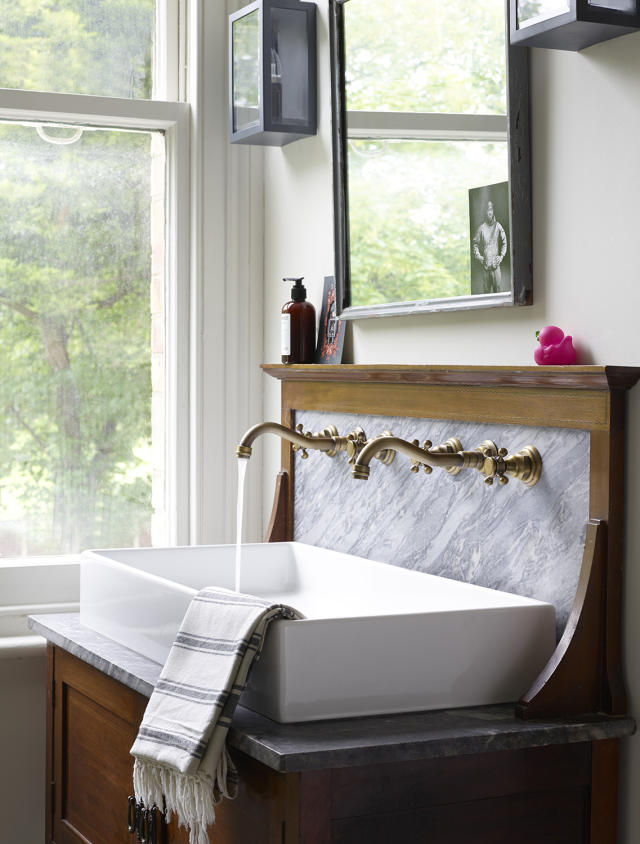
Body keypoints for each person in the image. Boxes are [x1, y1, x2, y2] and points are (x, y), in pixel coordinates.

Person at [472, 200, 507, 294]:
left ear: (493, 210)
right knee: (486, 297)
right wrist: (479, 257)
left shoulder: (498, 226)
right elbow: (475, 244)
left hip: (496, 267)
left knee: (498, 296)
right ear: (484, 211)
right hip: (486, 268)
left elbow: (504, 242)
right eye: (487, 209)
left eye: (491, 209)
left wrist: (501, 256)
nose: (489, 212)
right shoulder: (481, 228)